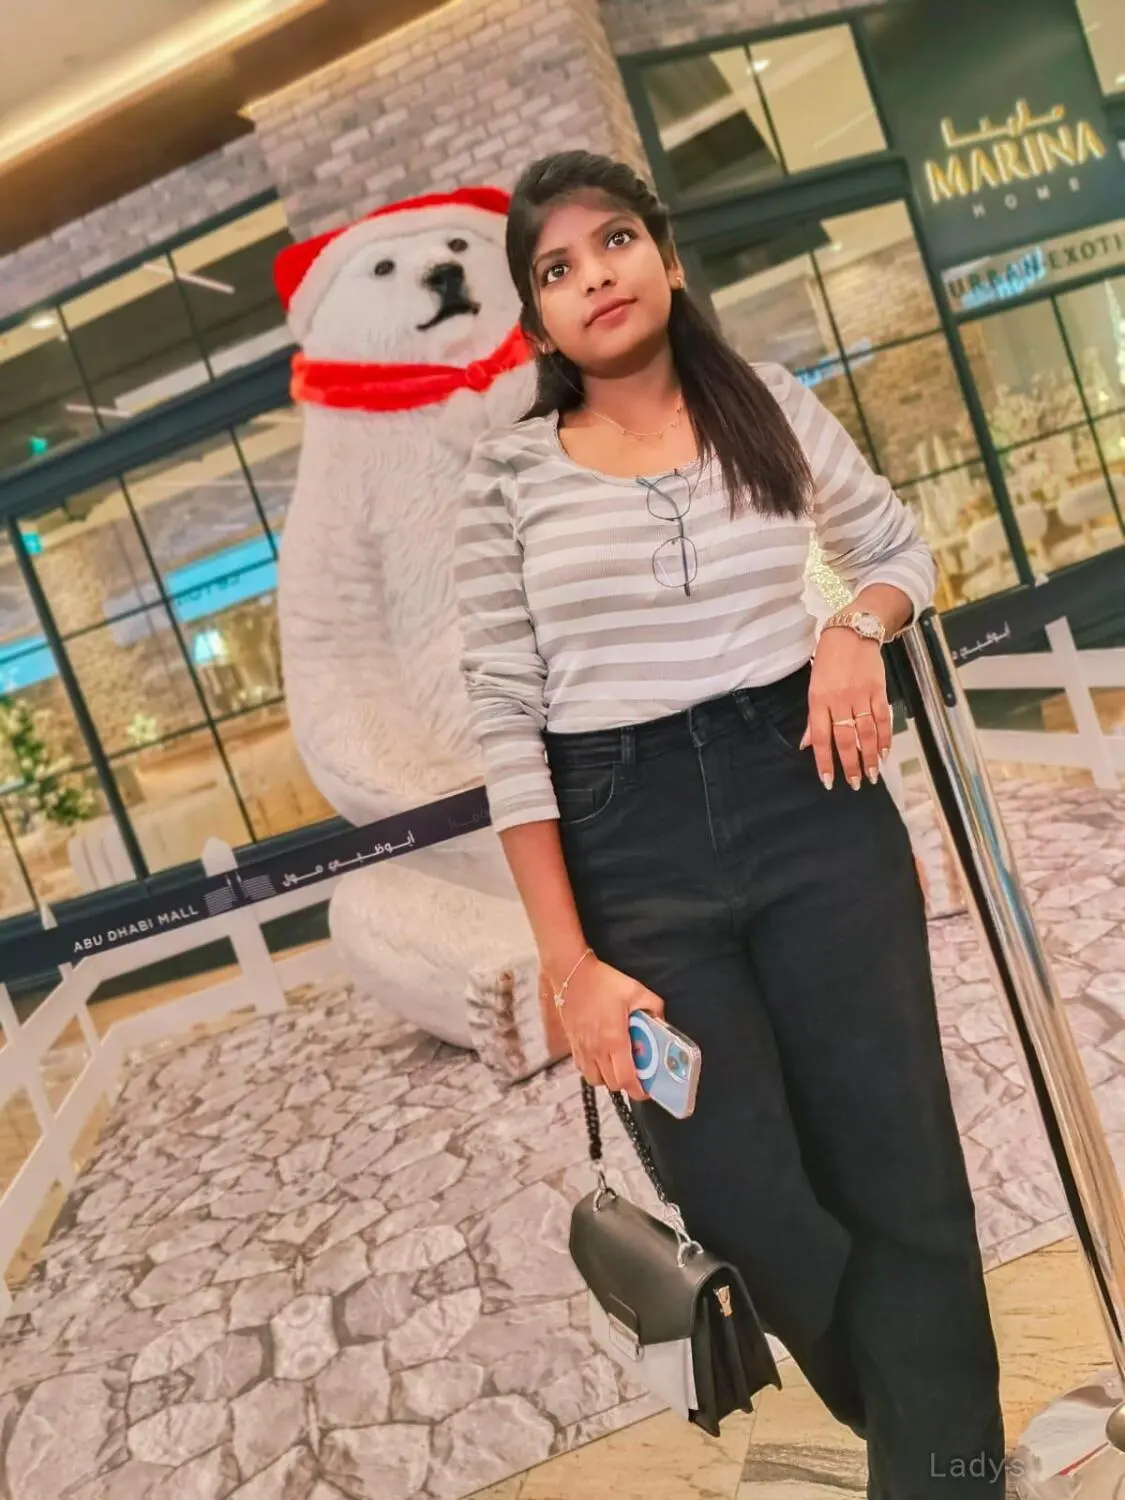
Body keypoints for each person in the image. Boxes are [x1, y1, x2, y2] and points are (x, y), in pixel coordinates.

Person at [454, 150, 1005, 1498]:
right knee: (738, 1188)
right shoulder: (504, 475)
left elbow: (899, 552)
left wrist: (852, 627)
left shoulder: (769, 403)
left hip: (809, 798)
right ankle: (932, 1434)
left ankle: (948, 1473)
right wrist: (571, 967)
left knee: (897, 1158)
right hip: (626, 842)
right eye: (558, 268)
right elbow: (505, 721)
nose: (595, 277)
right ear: (537, 320)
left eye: (615, 241)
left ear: (666, 255)